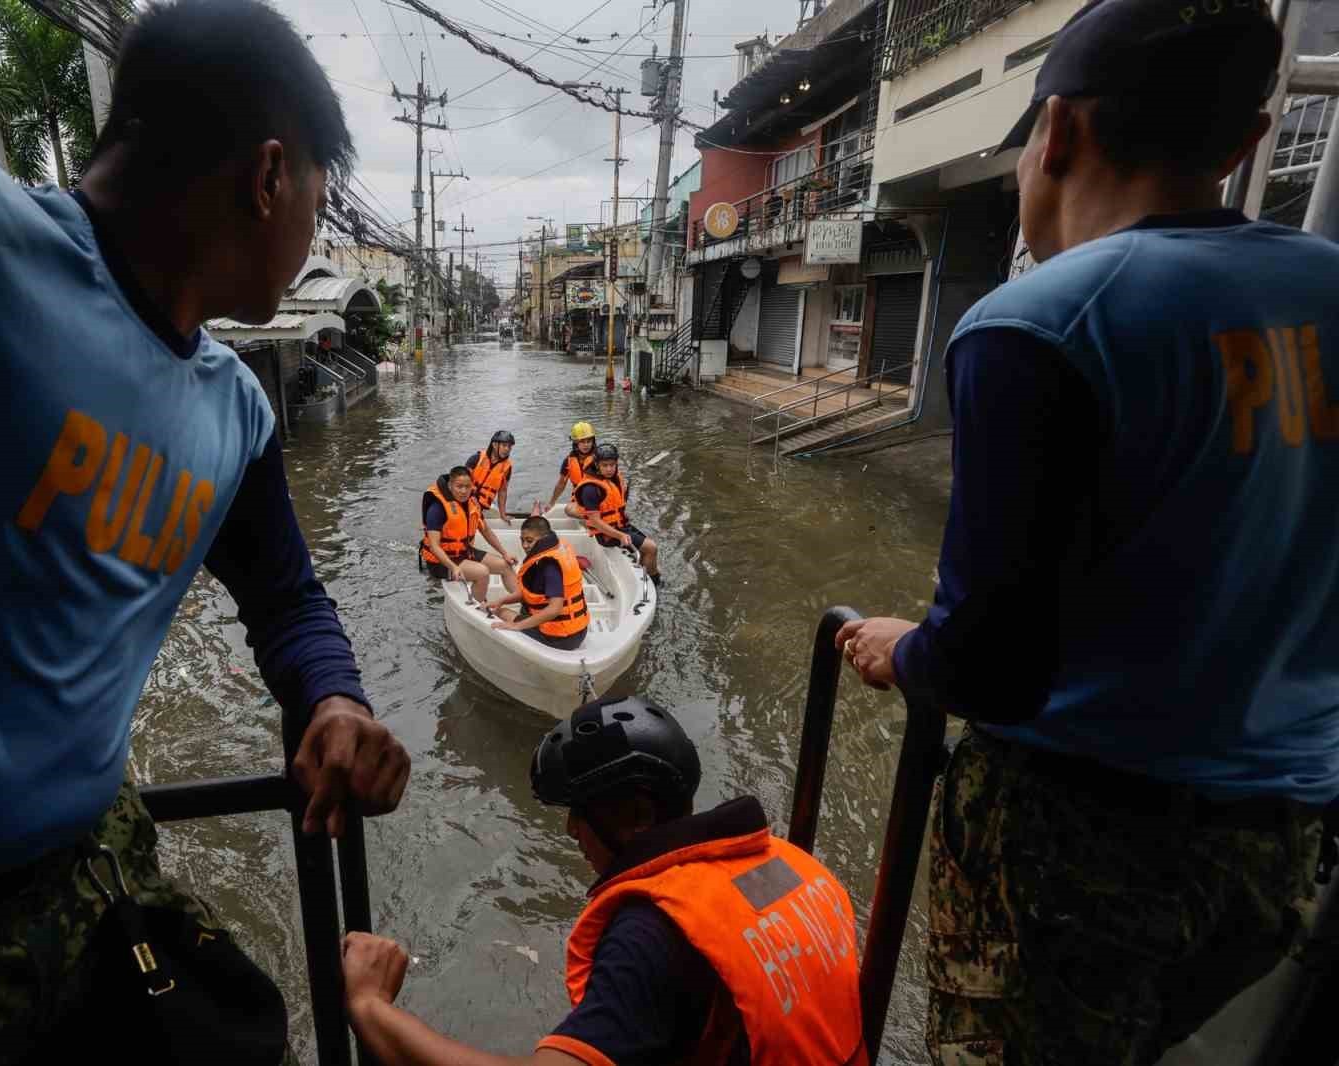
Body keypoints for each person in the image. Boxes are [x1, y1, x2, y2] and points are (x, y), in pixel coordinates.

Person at [0, 2, 411, 1060]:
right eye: (320, 200)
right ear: (270, 176)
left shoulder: (230, 410)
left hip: (83, 878)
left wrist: (331, 698)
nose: (314, 234)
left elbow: (286, 597)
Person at [832, 0, 1338, 1061]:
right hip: (1283, 838)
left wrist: (902, 648)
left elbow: (989, 663)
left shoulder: (1040, 324)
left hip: (1077, 851)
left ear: (1055, 132)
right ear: (1245, 144)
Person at [341, 696, 869, 1065]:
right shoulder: (791, 863)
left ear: (638, 816)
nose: (571, 829)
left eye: (580, 813)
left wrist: (371, 1006)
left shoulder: (654, 932)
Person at [484, 516, 590, 650]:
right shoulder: (555, 550)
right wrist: (501, 600)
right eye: (522, 540)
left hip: (559, 638)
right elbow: (528, 595)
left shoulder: (549, 566)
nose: (524, 545)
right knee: (505, 607)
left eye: (529, 541)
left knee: (501, 613)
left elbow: (554, 609)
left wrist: (516, 626)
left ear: (544, 538)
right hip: (579, 630)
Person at [421, 465, 519, 602]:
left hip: (464, 552)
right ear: (450, 485)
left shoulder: (472, 502)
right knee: (482, 572)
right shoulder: (437, 508)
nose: (464, 491)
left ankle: (524, 602)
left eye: (467, 487)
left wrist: (505, 553)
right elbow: (434, 546)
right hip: (441, 561)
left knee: (505, 565)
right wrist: (453, 567)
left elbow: (485, 530)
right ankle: (479, 609)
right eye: (459, 486)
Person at [568, 444, 660, 584]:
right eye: (605, 465)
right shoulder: (591, 489)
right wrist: (620, 535)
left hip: (621, 526)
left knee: (648, 550)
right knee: (651, 548)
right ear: (597, 465)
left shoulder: (615, 479)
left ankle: (648, 576)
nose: (609, 469)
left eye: (612, 465)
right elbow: (595, 522)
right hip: (606, 535)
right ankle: (653, 582)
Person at [544, 422, 599, 511]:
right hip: (580, 499)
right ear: (575, 443)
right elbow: (561, 484)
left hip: (597, 499)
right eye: (582, 441)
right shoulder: (568, 461)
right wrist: (551, 503)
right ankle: (590, 518)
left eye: (589, 441)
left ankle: (593, 518)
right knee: (569, 510)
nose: (586, 445)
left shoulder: (600, 458)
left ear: (593, 442)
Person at [467, 430, 516, 522]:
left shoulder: (507, 468)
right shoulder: (476, 458)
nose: (507, 449)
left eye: (509, 447)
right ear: (494, 445)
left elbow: (502, 492)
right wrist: (470, 497)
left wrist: (503, 514)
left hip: (481, 506)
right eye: (504, 446)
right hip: (466, 499)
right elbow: (462, 481)